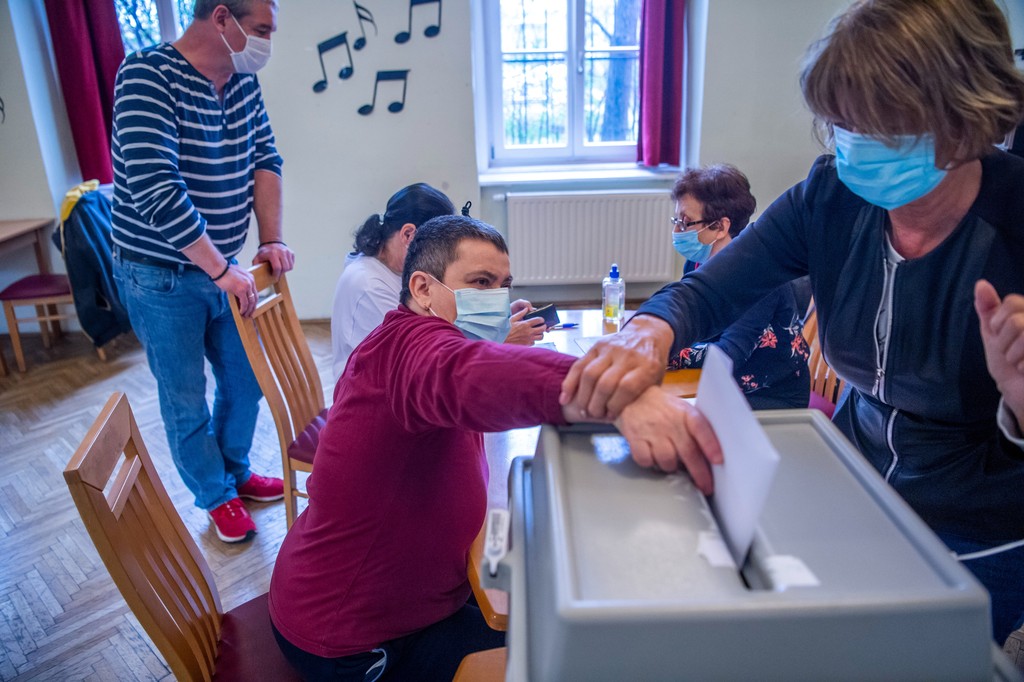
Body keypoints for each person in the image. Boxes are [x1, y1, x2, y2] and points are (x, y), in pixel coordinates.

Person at [561, 0, 1024, 645]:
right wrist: (650, 327)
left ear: (958, 115)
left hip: (983, 525)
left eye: (872, 123)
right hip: (859, 480)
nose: (848, 145)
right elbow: (709, 291)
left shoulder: (1014, 224)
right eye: (839, 124)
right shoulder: (832, 195)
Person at [269, 215, 721, 681]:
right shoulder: (410, 350)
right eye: (480, 282)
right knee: (565, 659)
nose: (496, 299)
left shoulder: (407, 338)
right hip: (352, 638)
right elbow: (463, 373)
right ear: (423, 289)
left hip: (414, 599)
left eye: (503, 285)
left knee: (547, 624)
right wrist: (617, 395)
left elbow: (468, 370)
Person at [110, 0, 294, 544]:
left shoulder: (240, 83)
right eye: (260, 29)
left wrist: (272, 238)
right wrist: (219, 270)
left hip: (224, 268)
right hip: (161, 274)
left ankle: (234, 470)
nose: (266, 43)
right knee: (184, 393)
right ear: (220, 18)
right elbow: (155, 187)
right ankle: (215, 495)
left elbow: (267, 161)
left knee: (246, 380)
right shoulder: (147, 74)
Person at [331, 184, 546, 381]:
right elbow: (425, 359)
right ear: (408, 234)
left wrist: (491, 316)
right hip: (381, 390)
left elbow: (436, 324)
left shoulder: (388, 268)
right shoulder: (370, 285)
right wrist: (499, 340)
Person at [668, 164, 809, 409]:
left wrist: (669, 352)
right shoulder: (697, 262)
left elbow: (728, 354)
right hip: (728, 385)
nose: (677, 230)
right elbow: (693, 320)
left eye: (686, 222)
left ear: (720, 227)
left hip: (770, 395)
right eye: (676, 220)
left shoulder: (758, 274)